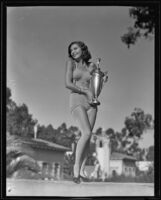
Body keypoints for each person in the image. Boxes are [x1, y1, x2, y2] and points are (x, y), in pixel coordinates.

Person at [65, 41, 107, 183]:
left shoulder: (92, 66)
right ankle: (76, 168)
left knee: (88, 137)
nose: (73, 52)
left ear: (82, 49)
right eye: (71, 50)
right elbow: (68, 83)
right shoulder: (71, 63)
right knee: (86, 133)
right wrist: (84, 91)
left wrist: (102, 81)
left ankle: (82, 170)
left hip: (91, 103)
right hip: (76, 100)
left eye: (75, 48)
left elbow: (96, 90)